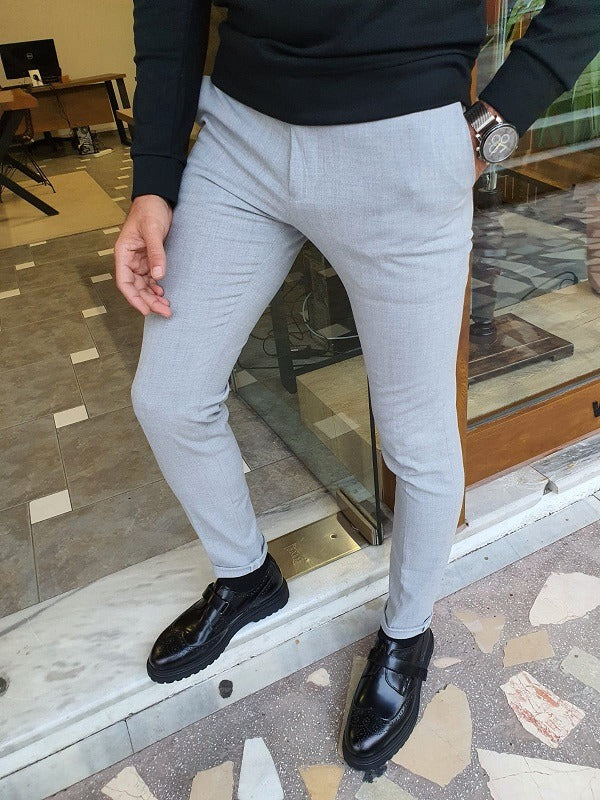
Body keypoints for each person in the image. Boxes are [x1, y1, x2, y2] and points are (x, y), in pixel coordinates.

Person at [115, 0, 600, 771]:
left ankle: (407, 634)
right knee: (168, 396)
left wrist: (496, 122)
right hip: (240, 134)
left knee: (417, 438)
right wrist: (153, 177)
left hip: (402, 137)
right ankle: (247, 578)